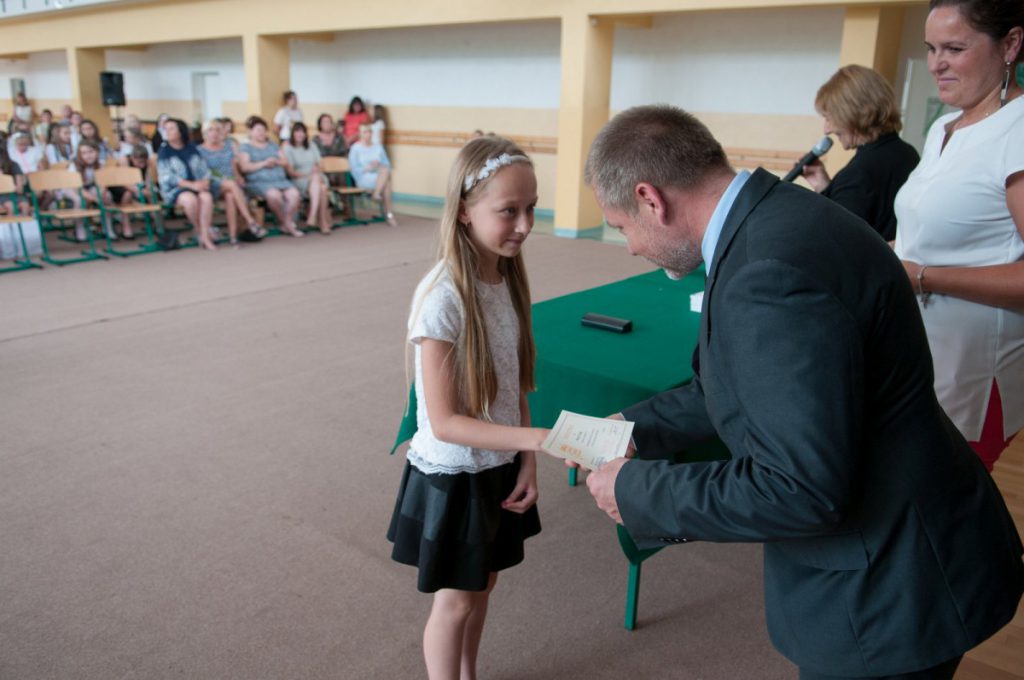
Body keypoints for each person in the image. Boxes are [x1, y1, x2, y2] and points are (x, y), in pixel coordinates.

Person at [578, 105, 1023, 679]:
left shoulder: (766, 272)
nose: (631, 247)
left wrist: (636, 490)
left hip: (890, 586)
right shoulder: (778, 216)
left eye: (621, 228)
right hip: (917, 538)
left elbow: (796, 487)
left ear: (650, 199)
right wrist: (629, 428)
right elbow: (735, 387)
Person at [387, 135, 544, 680]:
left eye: (531, 208)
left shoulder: (503, 278)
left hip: (497, 465)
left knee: (484, 584)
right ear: (462, 211)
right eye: (509, 211)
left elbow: (515, 384)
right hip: (456, 474)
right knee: (454, 602)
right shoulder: (443, 296)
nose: (525, 224)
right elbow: (447, 423)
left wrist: (527, 461)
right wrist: (539, 440)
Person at [894, 0, 1023, 472]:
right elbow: (929, 236)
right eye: (931, 49)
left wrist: (923, 276)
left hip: (971, 373)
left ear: (1010, 45)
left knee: (938, 498)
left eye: (954, 48)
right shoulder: (943, 127)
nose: (936, 64)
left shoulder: (1018, 129)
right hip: (917, 355)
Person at [799, 65, 920, 241]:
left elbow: (834, 240)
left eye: (829, 118)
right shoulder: (907, 153)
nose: (827, 129)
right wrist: (825, 187)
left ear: (852, 113)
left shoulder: (859, 173)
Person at [197, 119, 264, 245]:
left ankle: (233, 237)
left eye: (217, 130)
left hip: (229, 184)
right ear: (205, 133)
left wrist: (238, 177)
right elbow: (204, 172)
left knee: (230, 196)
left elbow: (233, 167)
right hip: (212, 183)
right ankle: (250, 220)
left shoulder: (227, 148)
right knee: (232, 185)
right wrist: (224, 179)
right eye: (211, 130)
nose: (214, 133)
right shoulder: (200, 150)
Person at [237, 115, 304, 238]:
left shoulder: (273, 145)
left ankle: (286, 222)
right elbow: (244, 167)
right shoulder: (245, 147)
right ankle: (285, 223)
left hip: (280, 180)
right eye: (258, 130)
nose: (261, 133)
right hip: (259, 182)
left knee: (294, 194)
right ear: (250, 132)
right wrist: (264, 163)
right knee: (274, 196)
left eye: (263, 130)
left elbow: (285, 161)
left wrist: (276, 162)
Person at [157, 117, 217, 250]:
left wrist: (205, 181)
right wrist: (191, 185)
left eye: (171, 129)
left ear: (180, 132)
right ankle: (200, 231)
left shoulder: (192, 148)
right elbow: (167, 177)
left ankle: (204, 234)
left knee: (206, 197)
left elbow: (204, 169)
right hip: (175, 189)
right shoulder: (164, 151)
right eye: (166, 129)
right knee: (190, 200)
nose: (167, 132)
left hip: (197, 185)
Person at [282, 122, 331, 234]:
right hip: (300, 179)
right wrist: (307, 175)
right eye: (297, 131)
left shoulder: (311, 145)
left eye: (302, 132)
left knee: (316, 179)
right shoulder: (288, 148)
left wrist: (317, 169)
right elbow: (291, 172)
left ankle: (313, 216)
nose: (300, 134)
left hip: (317, 176)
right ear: (293, 133)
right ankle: (322, 222)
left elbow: (320, 163)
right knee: (322, 188)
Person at [348, 123, 398, 227]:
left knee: (385, 174)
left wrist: (378, 164)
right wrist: (368, 168)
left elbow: (387, 164)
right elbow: (353, 169)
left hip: (378, 175)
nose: (368, 134)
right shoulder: (355, 148)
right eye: (365, 132)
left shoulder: (378, 147)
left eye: (370, 131)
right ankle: (389, 215)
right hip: (363, 177)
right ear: (360, 134)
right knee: (386, 182)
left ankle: (376, 194)